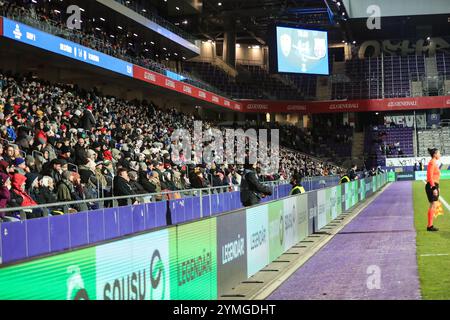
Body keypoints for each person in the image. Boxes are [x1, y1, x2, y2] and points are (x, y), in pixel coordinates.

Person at [425, 148, 442, 232]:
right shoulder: (432, 162)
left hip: (434, 185)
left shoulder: (434, 163)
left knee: (433, 205)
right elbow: (429, 177)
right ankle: (430, 226)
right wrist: (434, 187)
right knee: (433, 205)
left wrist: (438, 187)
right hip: (432, 185)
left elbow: (435, 177)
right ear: (435, 154)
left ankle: (430, 225)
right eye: (439, 153)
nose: (440, 155)